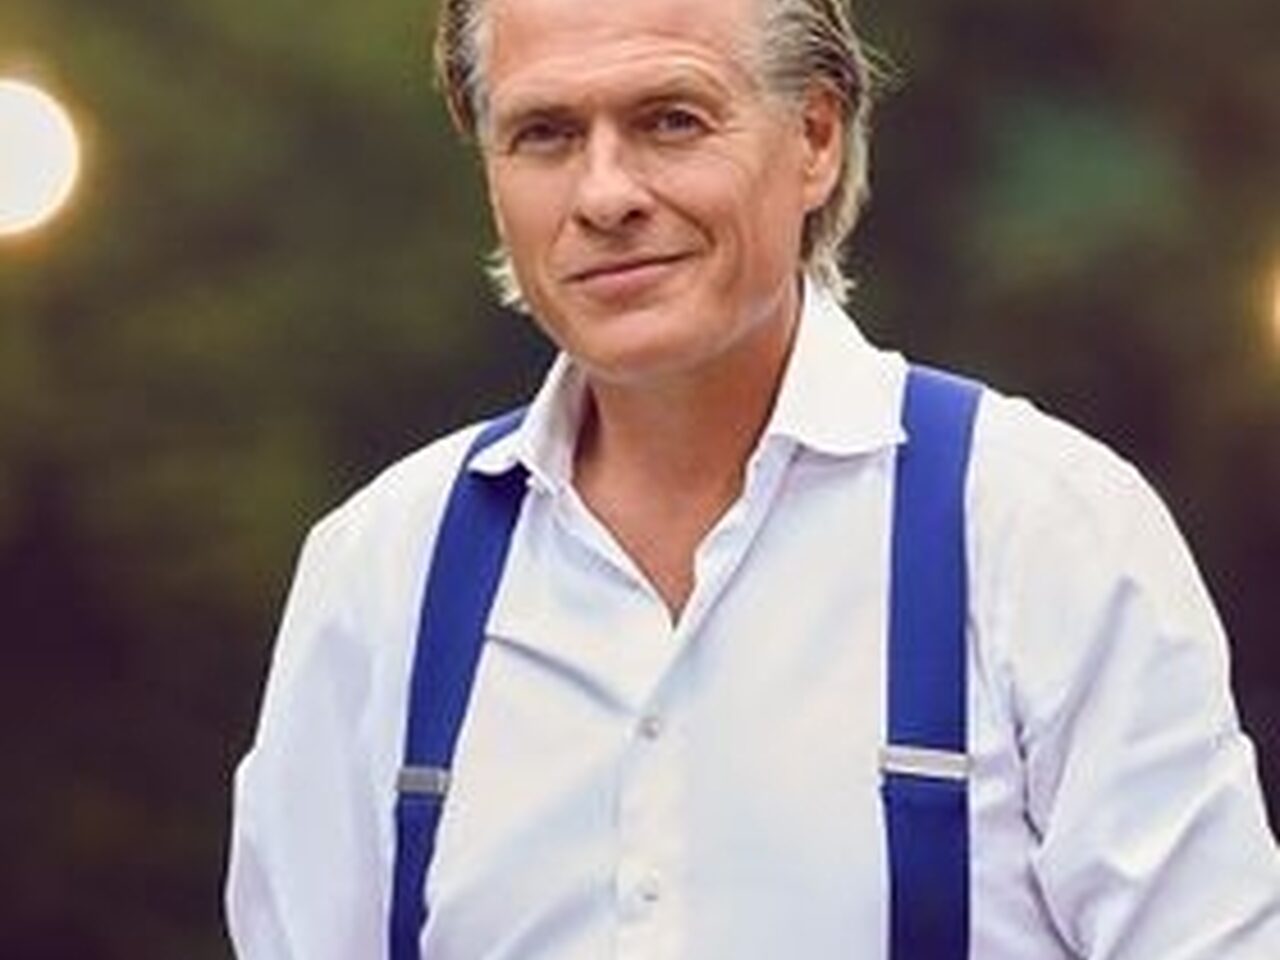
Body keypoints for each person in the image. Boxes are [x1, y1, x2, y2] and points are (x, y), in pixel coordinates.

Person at [225, 0, 1280, 956]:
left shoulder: (1039, 528)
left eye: (670, 120)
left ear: (815, 138)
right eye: (545, 134)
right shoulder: (380, 573)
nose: (604, 194)